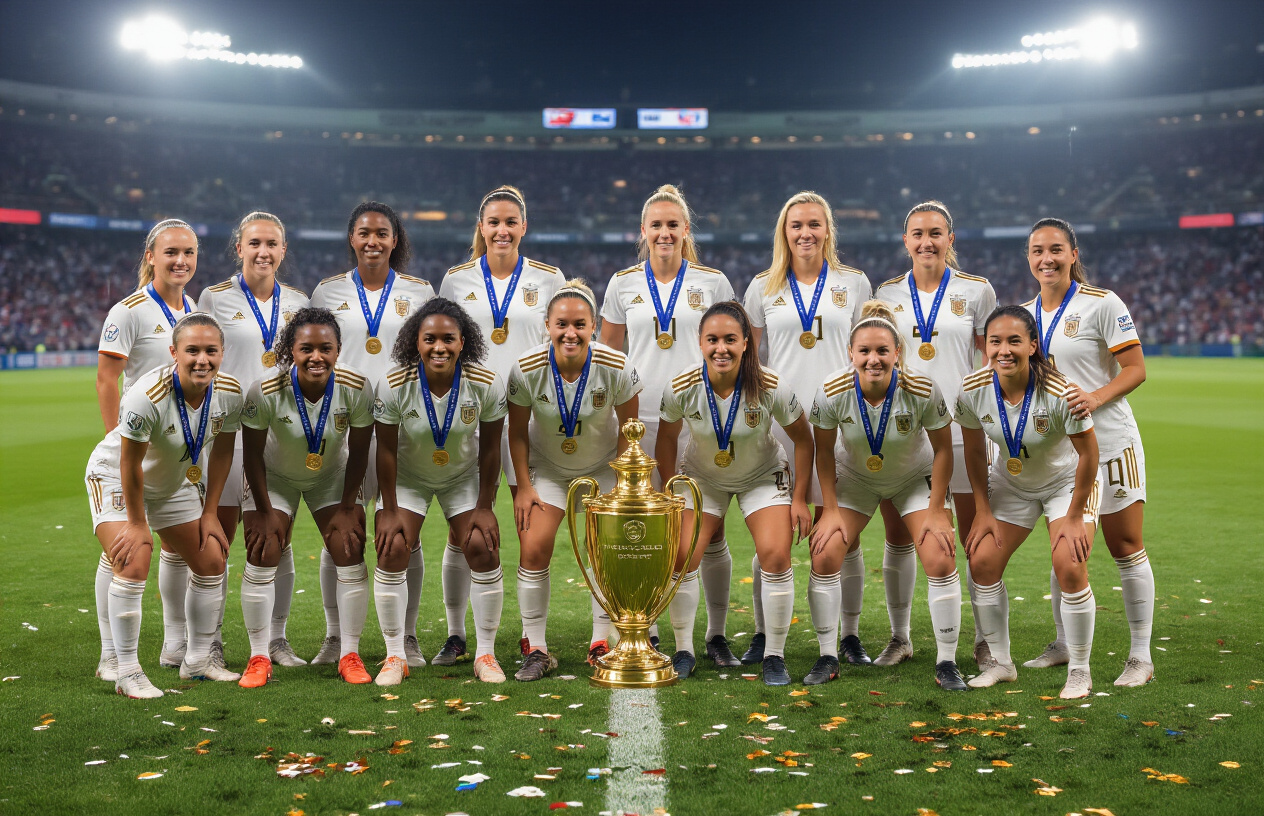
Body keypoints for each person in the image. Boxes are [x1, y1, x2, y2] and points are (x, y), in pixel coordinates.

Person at [599, 183, 739, 666]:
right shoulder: (622, 284)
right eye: (656, 225)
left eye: (672, 224)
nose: (664, 233)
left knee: (707, 531)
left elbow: (731, 345)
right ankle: (648, 626)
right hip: (638, 425)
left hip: (701, 420)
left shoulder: (713, 283)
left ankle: (715, 634)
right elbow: (609, 356)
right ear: (643, 230)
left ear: (685, 230)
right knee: (646, 529)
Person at [742, 191, 873, 666]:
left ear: (828, 230)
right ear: (784, 231)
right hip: (783, 426)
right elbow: (749, 360)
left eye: (814, 224)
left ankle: (849, 635)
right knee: (773, 537)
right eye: (796, 225)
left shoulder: (854, 283)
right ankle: (763, 633)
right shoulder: (762, 286)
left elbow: (869, 349)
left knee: (840, 537)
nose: (805, 233)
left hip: (843, 424)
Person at [1021, 218, 1153, 687]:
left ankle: (1140, 656)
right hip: (1059, 453)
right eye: (1038, 251)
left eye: (1056, 249)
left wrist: (1095, 397)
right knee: (1064, 548)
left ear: (1073, 254)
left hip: (1111, 443)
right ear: (1028, 258)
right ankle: (1063, 643)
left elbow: (1135, 368)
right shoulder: (1023, 315)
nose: (1047, 259)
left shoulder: (1102, 303)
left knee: (1125, 545)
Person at [807, 302, 964, 689]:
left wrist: (937, 509)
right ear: (851, 353)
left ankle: (945, 661)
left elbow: (945, 450)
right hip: (856, 477)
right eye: (864, 351)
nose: (873, 359)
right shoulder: (831, 390)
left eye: (882, 351)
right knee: (825, 551)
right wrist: (830, 510)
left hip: (912, 477)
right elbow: (823, 453)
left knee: (940, 555)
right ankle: (828, 655)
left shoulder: (922, 388)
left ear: (897, 353)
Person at [436, 185, 561, 668]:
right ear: (481, 228)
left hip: (533, 418)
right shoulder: (456, 280)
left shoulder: (549, 278)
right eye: (494, 222)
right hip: (472, 417)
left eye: (511, 222)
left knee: (531, 527)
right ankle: (456, 634)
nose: (502, 230)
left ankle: (532, 638)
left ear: (523, 227)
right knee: (463, 529)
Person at [85, 313, 243, 697]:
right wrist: (138, 523)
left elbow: (223, 451)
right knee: (133, 557)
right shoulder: (146, 395)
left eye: (211, 351)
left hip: (173, 482)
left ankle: (197, 660)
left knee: (212, 558)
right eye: (192, 351)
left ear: (222, 353)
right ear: (174, 353)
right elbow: (129, 464)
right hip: (116, 477)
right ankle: (125, 670)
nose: (202, 359)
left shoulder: (230, 392)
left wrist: (210, 512)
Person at [656, 301, 812, 686]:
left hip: (761, 474)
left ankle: (774, 655)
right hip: (703, 477)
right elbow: (666, 438)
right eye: (712, 340)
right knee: (682, 555)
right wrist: (670, 491)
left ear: (746, 343)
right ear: (700, 342)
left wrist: (799, 498)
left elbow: (804, 439)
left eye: (730, 339)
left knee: (775, 554)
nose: (721, 348)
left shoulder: (770, 384)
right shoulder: (682, 386)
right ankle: (684, 650)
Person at [309, 202, 434, 667]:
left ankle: (408, 636)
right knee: (340, 532)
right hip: (344, 426)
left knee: (404, 535)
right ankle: (336, 637)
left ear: (395, 239)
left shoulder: (420, 291)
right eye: (364, 233)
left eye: (382, 233)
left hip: (403, 428)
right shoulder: (327, 290)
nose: (373, 241)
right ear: (352, 238)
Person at [874, 201, 997, 669]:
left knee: (972, 537)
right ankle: (900, 637)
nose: (927, 242)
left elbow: (990, 361)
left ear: (950, 239)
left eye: (936, 233)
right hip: (904, 433)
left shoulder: (977, 290)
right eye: (918, 234)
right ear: (905, 240)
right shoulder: (887, 292)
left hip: (963, 430)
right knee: (898, 536)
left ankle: (984, 640)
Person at [956, 306, 1101, 699]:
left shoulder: (1060, 392)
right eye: (995, 341)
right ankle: (1001, 664)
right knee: (982, 562)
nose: (1003, 350)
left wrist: (1075, 516)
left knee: (1069, 562)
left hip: (1066, 484)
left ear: (1033, 346)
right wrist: (982, 510)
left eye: (1014, 341)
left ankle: (1080, 670)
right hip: (1012, 483)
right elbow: (974, 452)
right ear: (985, 346)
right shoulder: (972, 389)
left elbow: (1089, 455)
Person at [506, 279, 642, 681]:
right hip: (548, 469)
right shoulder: (526, 367)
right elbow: (516, 432)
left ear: (594, 326)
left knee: (603, 549)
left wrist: (620, 484)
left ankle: (601, 642)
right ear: (547, 326)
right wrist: (524, 487)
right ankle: (536, 648)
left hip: (601, 468)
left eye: (580, 324)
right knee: (534, 547)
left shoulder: (616, 365)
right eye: (562, 324)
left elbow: (629, 429)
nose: (570, 333)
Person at [238, 308, 376, 686]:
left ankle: (349, 653)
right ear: (291, 351)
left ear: (338, 350)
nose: (317, 357)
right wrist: (264, 509)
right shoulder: (265, 390)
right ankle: (259, 656)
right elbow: (252, 454)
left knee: (348, 544)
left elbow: (359, 452)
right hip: (275, 476)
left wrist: (347, 507)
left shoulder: (356, 386)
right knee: (264, 546)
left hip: (330, 476)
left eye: (325, 348)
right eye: (306, 349)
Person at [375, 298, 509, 682]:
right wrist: (388, 508)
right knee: (393, 545)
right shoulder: (395, 383)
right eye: (429, 339)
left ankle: (485, 655)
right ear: (415, 342)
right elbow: (385, 450)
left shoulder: (484, 382)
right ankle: (395, 656)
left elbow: (491, 449)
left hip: (461, 477)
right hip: (409, 478)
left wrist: (485, 505)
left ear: (462, 342)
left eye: (448, 339)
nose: (439, 347)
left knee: (482, 545)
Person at [197, 211, 309, 669]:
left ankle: (276, 641)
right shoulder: (214, 297)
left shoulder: (298, 301)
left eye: (272, 244)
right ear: (239, 247)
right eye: (255, 243)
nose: (263, 252)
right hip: (227, 434)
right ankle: (212, 641)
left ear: (283, 250)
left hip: (279, 436)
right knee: (219, 541)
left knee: (276, 538)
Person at [94, 219, 205, 681]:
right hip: (137, 445)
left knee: (176, 548)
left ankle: (175, 645)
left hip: (175, 451)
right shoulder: (129, 311)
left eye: (188, 252)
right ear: (151, 257)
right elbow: (106, 379)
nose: (180, 261)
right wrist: (119, 442)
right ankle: (110, 655)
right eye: (171, 252)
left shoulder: (193, 308)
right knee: (123, 550)